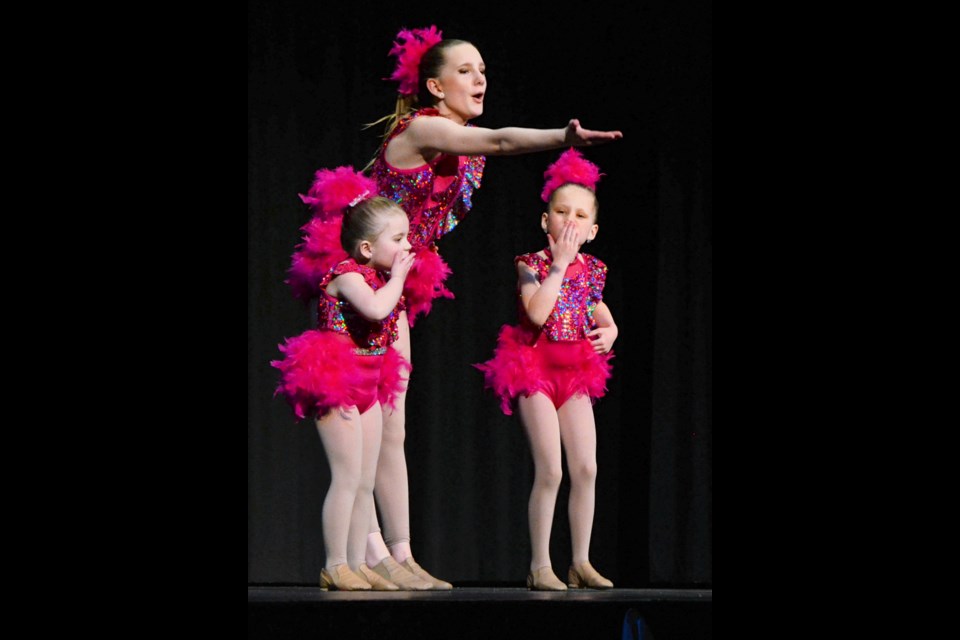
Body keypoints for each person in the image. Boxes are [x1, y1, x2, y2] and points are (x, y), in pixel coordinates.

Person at [286, 25, 623, 590]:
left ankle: (398, 553)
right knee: (369, 431)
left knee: (393, 429)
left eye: (484, 70)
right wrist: (562, 137)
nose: (479, 78)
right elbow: (499, 142)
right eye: (465, 70)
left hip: (394, 283)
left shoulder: (451, 138)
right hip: (359, 282)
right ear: (435, 87)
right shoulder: (422, 129)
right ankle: (362, 558)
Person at [475, 148, 618, 591]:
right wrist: (557, 265)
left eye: (580, 215)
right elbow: (536, 315)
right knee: (551, 470)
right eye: (561, 212)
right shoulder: (531, 265)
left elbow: (599, 312)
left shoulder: (594, 270)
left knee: (587, 468)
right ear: (546, 221)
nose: (570, 221)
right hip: (533, 369)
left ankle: (579, 560)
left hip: (574, 373)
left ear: (592, 230)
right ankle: (540, 564)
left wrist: (611, 331)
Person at [272, 166, 420, 591]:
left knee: (366, 481)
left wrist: (395, 279)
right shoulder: (346, 275)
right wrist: (398, 279)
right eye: (399, 240)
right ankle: (335, 563)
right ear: (367, 246)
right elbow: (375, 310)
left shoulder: (377, 275)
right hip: (336, 382)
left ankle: (358, 565)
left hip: (368, 385)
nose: (407, 247)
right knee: (347, 476)